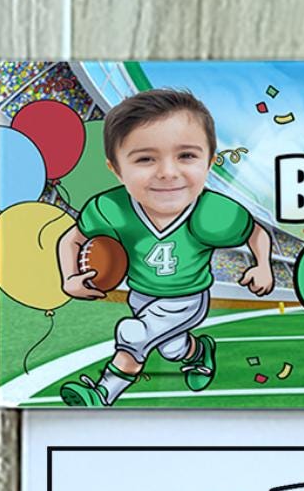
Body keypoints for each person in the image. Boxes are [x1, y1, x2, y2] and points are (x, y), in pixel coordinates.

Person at [53, 87, 272, 403]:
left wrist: (263, 266)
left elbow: (256, 233)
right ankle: (198, 351)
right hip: (140, 294)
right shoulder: (110, 209)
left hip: (186, 298)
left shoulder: (211, 214)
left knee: (134, 335)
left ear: (210, 162)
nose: (168, 173)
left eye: (186, 156)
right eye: (145, 159)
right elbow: (72, 238)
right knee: (172, 348)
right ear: (116, 169)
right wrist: (69, 277)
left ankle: (103, 393)